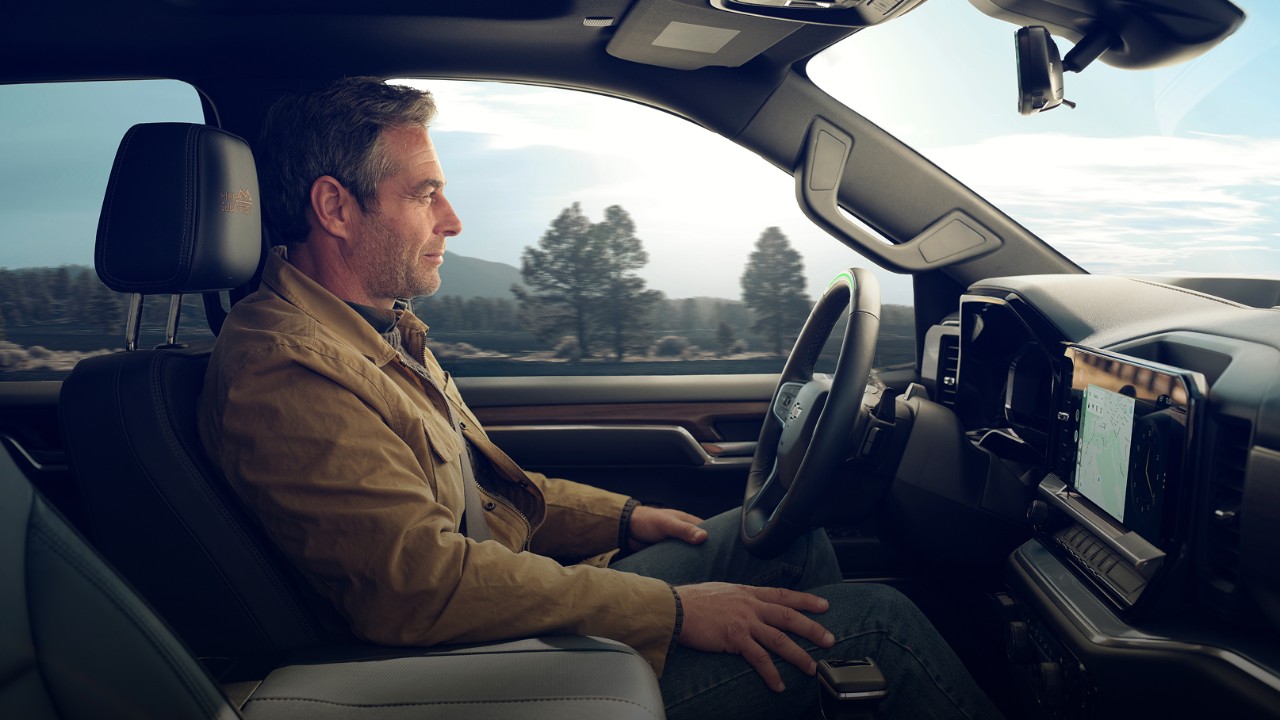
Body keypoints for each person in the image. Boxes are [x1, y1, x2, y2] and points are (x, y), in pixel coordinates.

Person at [198, 76, 1003, 720]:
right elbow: (420, 585)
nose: (453, 220)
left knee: (780, 549)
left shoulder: (374, 331)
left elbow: (489, 491)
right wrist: (676, 611)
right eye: (424, 194)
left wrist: (626, 518)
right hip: (463, 681)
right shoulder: (288, 368)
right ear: (335, 208)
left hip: (488, 630)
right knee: (875, 628)